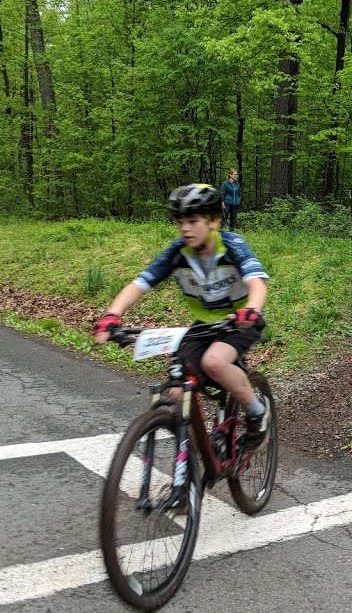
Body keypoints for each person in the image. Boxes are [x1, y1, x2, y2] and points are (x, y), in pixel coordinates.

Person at [92, 183, 271, 448]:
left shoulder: (233, 245)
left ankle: (257, 413)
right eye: (180, 222)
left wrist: (251, 309)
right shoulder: (178, 253)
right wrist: (112, 315)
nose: (185, 228)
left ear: (213, 221)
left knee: (213, 362)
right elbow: (140, 284)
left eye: (192, 221)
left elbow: (256, 282)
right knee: (177, 390)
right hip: (203, 325)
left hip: (240, 321)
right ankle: (194, 463)